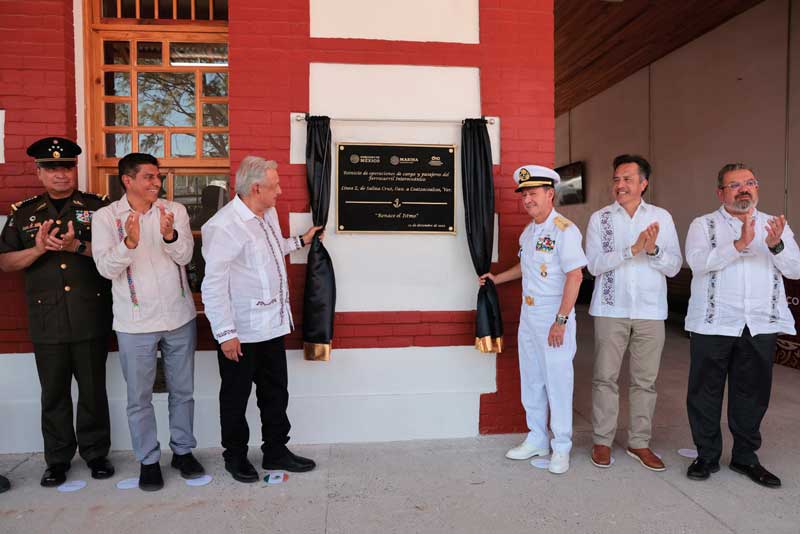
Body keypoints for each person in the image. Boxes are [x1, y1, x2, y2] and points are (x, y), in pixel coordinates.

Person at [0, 137, 114, 487]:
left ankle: (96, 454)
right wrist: (37, 250)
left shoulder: (100, 209)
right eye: (51, 168)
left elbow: (116, 256)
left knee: (93, 391)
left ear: (74, 169)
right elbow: (5, 263)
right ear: (39, 172)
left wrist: (75, 246)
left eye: (66, 166)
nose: (60, 174)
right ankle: (58, 459)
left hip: (89, 313)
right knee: (53, 393)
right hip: (47, 318)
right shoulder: (23, 213)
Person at [201, 156, 321, 483]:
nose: (280, 191)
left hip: (272, 325)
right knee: (236, 398)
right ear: (256, 188)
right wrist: (225, 334)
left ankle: (275, 451)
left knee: (275, 392)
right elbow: (212, 285)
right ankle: (236, 457)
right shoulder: (223, 226)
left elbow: (269, 251)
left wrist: (300, 241)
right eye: (275, 185)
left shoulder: (267, 214)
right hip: (240, 330)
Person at [92, 153, 204, 491]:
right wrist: (129, 242)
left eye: (158, 177)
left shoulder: (175, 211)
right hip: (134, 323)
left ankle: (183, 452)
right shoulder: (105, 217)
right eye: (149, 177)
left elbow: (186, 257)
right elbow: (105, 269)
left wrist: (170, 236)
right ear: (127, 180)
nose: (157, 183)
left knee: (182, 391)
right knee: (139, 397)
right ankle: (149, 460)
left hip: (179, 316)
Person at [684, 163, 800, 488]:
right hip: (714, 323)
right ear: (720, 192)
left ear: (757, 188)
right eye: (735, 185)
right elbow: (696, 262)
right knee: (705, 392)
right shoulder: (702, 224)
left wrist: (775, 244)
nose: (744, 189)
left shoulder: (774, 225)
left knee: (751, 394)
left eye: (749, 183)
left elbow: (795, 269)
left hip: (759, 323)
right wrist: (738, 244)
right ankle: (706, 455)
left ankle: (746, 457)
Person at [480, 164, 586, 474]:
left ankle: (561, 446)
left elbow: (575, 276)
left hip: (554, 316)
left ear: (550, 194)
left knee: (558, 383)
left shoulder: (565, 230)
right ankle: (537, 438)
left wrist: (561, 320)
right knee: (532, 381)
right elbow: (526, 268)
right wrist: (495, 279)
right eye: (524, 194)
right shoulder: (530, 232)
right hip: (529, 316)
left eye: (533, 193)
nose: (527, 199)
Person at [585, 155, 682, 471]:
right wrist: (632, 250)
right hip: (610, 309)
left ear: (644, 183)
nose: (620, 185)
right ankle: (602, 440)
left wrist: (652, 250)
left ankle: (639, 442)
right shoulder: (600, 219)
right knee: (605, 378)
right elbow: (593, 265)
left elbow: (674, 266)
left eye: (627, 178)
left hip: (650, 311)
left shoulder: (661, 217)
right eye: (616, 179)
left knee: (645, 381)